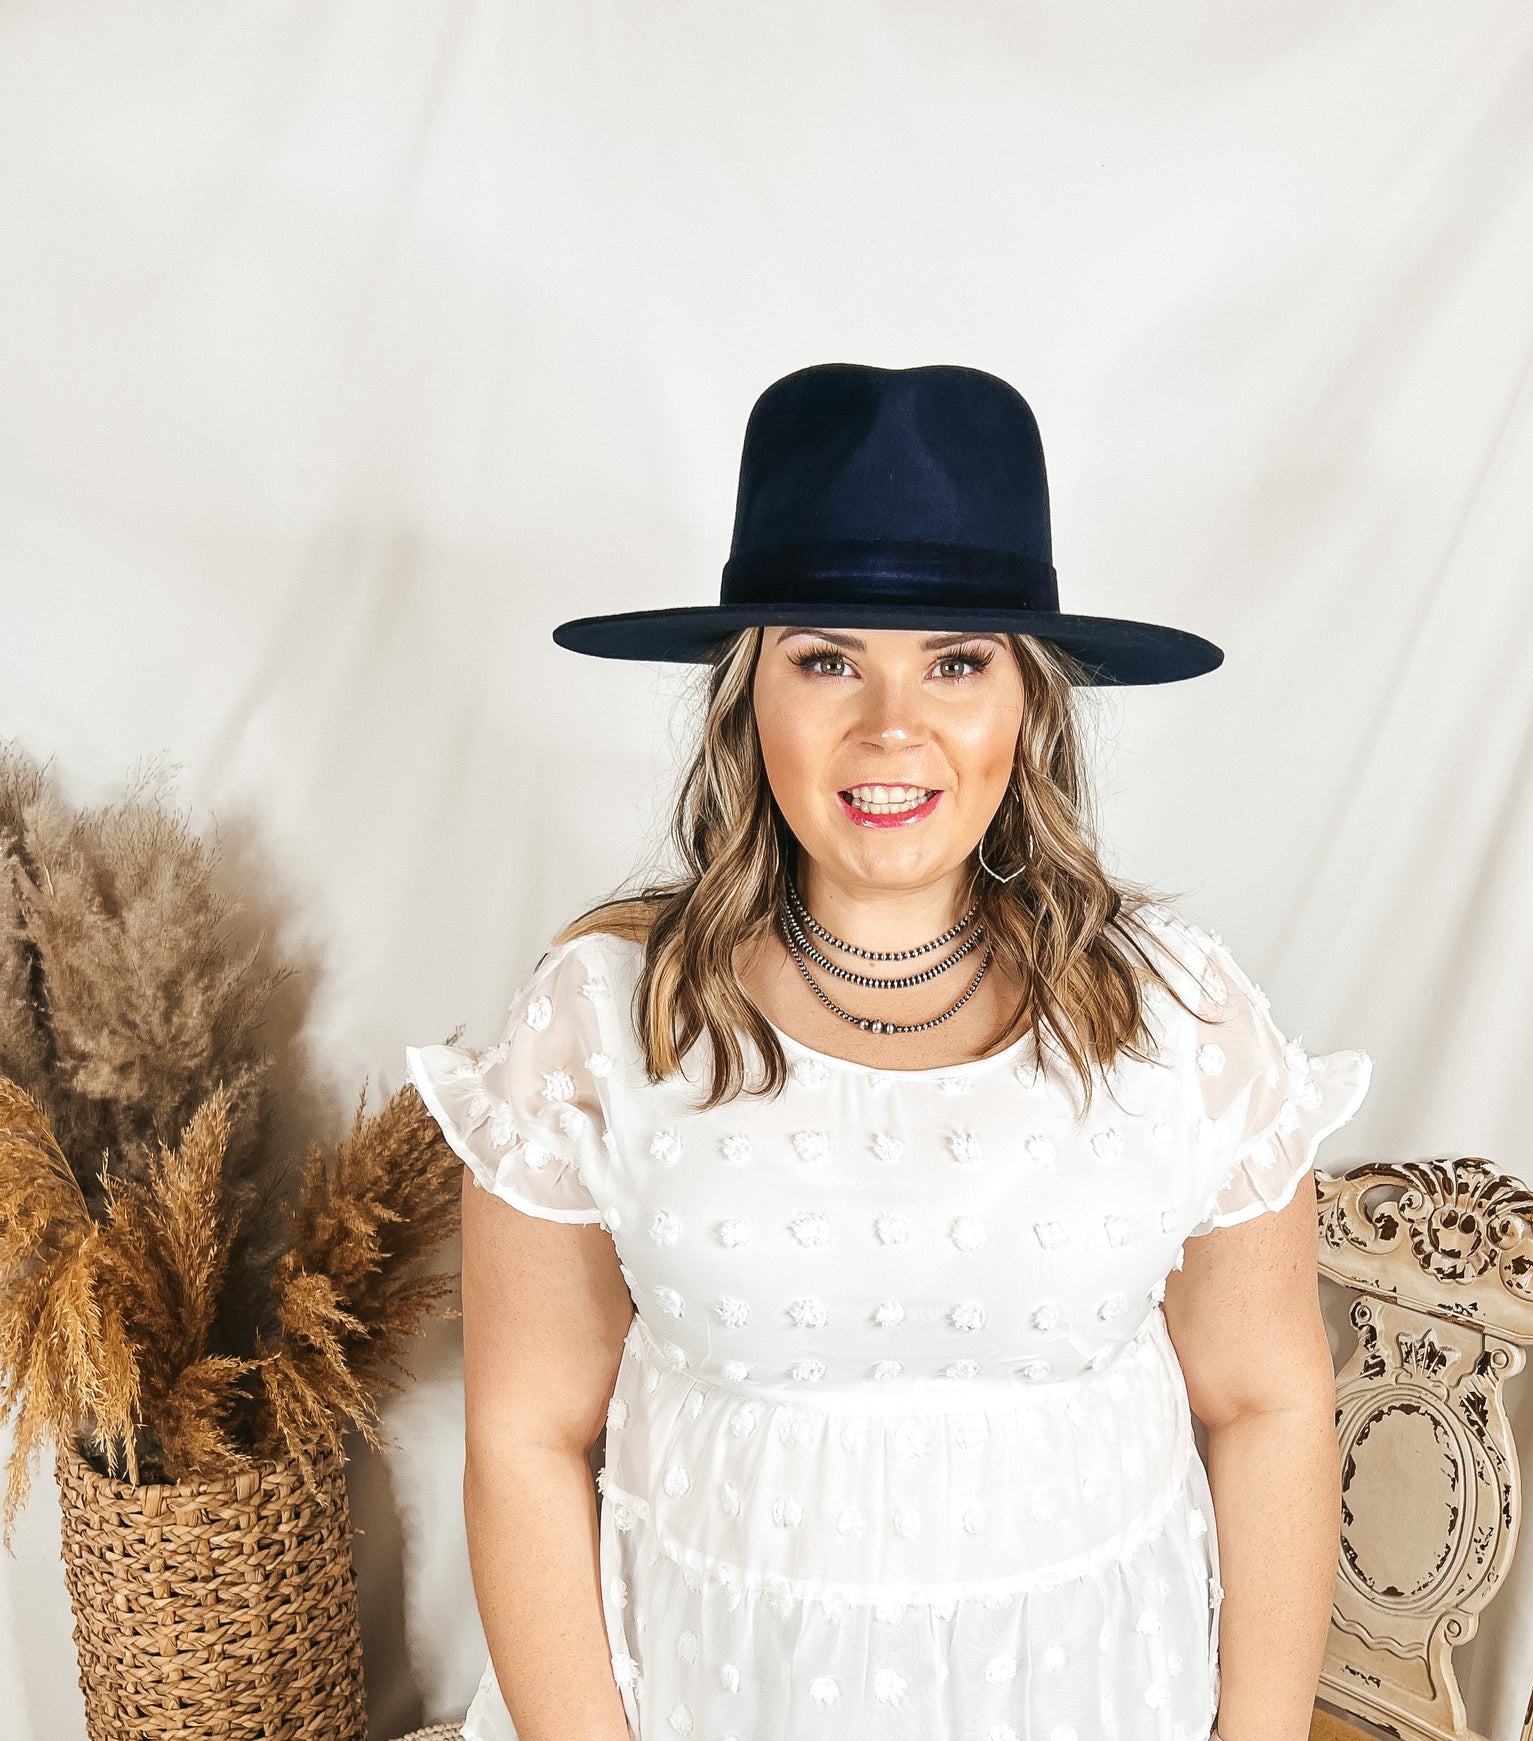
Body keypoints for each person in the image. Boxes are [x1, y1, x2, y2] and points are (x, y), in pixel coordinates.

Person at [406, 362, 1373, 1741]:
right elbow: (522, 1435)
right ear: (748, 697)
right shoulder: (606, 1018)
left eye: (956, 663)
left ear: (1029, 703)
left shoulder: (1179, 1016)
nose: (891, 728)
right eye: (827, 661)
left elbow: (1270, 1399)